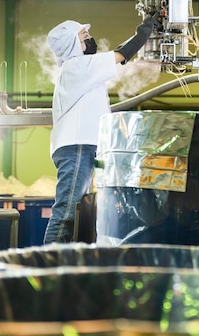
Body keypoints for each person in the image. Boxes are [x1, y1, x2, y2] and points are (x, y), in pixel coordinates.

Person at [43, 13, 158, 244]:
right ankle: (48, 265)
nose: (90, 38)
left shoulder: (80, 69)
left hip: (82, 147)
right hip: (77, 147)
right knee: (66, 211)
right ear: (73, 44)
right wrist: (145, 30)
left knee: (76, 210)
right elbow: (121, 54)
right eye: (85, 36)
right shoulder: (77, 66)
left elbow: (120, 58)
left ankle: (62, 264)